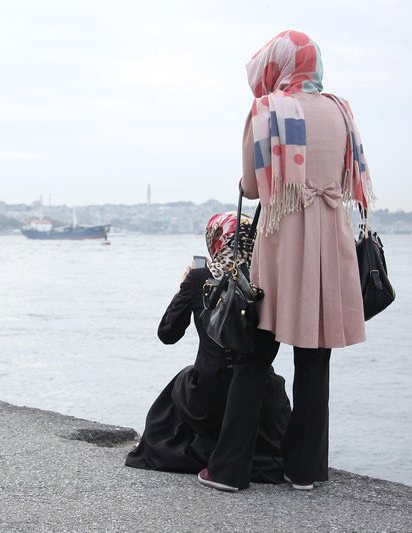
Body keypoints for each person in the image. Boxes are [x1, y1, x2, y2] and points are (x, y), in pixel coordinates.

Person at [198, 31, 373, 493]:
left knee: (255, 354)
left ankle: (230, 471)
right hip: (329, 242)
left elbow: (253, 189)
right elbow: (345, 177)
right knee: (315, 359)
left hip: (282, 240)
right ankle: (306, 470)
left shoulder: (267, 110)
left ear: (277, 66)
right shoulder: (341, 111)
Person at [125, 212, 291, 484]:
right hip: (261, 400)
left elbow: (167, 334)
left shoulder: (200, 277)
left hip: (206, 400)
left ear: (215, 242)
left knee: (183, 379)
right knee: (267, 382)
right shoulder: (268, 280)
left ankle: (204, 452)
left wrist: (185, 285)